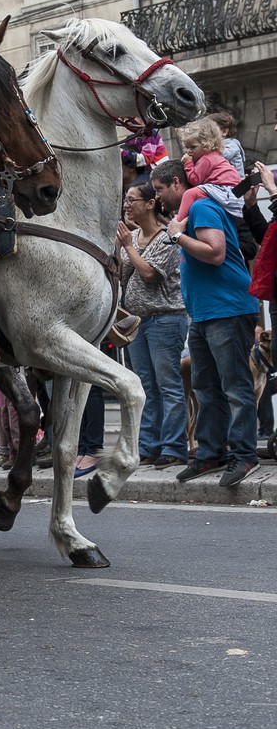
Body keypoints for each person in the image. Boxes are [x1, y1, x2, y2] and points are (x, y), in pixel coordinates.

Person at [153, 159, 262, 486]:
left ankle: (244, 456)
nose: (158, 198)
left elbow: (215, 252)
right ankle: (211, 453)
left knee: (234, 384)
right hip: (204, 313)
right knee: (204, 386)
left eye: (160, 190)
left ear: (176, 183)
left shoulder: (201, 207)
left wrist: (177, 237)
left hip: (226, 309)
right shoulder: (190, 213)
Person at [116, 181, 190, 468]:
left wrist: (127, 247)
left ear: (149, 204)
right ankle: (149, 446)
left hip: (165, 320)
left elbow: (148, 274)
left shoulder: (166, 238)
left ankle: (173, 446)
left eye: (132, 199)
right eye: (126, 200)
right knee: (145, 387)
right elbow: (123, 276)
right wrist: (121, 246)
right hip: (137, 322)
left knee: (168, 384)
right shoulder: (131, 238)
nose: (127, 204)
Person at [174, 117, 243, 221]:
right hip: (230, 190)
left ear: (207, 144)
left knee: (189, 194)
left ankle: (179, 221)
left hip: (225, 190)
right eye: (187, 147)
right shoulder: (213, 156)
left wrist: (188, 163)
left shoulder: (206, 159)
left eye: (193, 147)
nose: (189, 151)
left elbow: (195, 180)